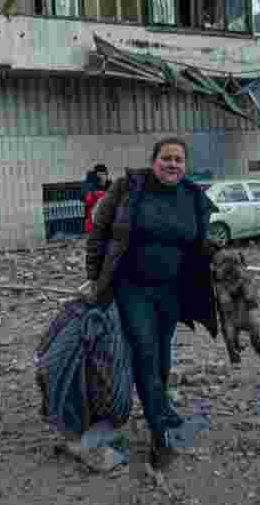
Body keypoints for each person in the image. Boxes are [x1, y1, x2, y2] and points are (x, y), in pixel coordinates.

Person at [84, 137, 220, 470]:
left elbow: (199, 243)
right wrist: (94, 276)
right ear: (153, 160)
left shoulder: (192, 196)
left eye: (178, 159)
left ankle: (160, 406)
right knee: (145, 353)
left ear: (184, 165)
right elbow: (99, 231)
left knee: (162, 353)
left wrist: (221, 256)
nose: (172, 164)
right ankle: (159, 435)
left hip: (172, 290)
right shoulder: (129, 188)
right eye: (166, 158)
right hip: (133, 288)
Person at [83, 164, 111, 233]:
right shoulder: (89, 185)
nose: (102, 177)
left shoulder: (110, 184)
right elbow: (87, 199)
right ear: (95, 176)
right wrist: (98, 194)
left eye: (103, 174)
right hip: (93, 218)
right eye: (99, 174)